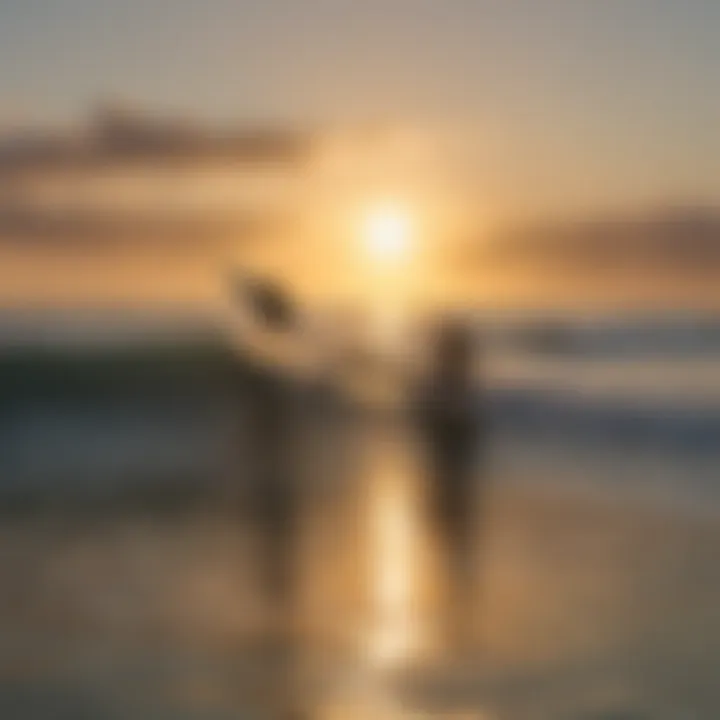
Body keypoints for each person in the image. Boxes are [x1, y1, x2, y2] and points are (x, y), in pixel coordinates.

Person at [412, 318, 486, 650]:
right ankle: (454, 567)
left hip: (449, 445)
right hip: (452, 445)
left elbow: (431, 418)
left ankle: (451, 562)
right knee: (452, 503)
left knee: (447, 501)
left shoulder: (445, 377)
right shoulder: (450, 377)